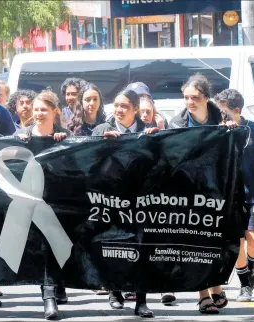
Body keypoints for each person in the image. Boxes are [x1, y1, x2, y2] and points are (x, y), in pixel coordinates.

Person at [168, 73, 235, 314]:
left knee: (217, 242)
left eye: (194, 97)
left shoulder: (222, 118)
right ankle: (204, 294)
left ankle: (216, 285)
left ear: (206, 97)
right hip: (189, 192)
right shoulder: (177, 123)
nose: (190, 102)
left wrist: (231, 132)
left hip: (219, 190)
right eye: (186, 97)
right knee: (197, 242)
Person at [92, 89, 158, 318]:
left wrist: (154, 141)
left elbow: (161, 162)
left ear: (136, 110)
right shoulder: (102, 129)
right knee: (112, 244)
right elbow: (91, 160)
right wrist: (104, 144)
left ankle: (141, 299)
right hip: (111, 198)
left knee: (141, 247)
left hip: (141, 199)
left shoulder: (148, 130)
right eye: (116, 105)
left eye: (124, 107)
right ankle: (114, 290)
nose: (118, 110)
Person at [15, 90, 70, 320]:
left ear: (54, 112)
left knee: (54, 247)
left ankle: (55, 290)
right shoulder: (21, 134)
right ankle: (48, 295)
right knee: (41, 247)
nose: (38, 113)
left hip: (57, 200)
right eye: (36, 109)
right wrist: (16, 143)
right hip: (30, 201)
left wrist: (63, 143)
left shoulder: (64, 135)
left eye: (43, 110)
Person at [214, 89, 254, 302]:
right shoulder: (219, 131)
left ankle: (251, 267)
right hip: (229, 196)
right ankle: (245, 284)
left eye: (224, 111)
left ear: (236, 111)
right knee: (237, 242)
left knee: (253, 239)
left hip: (252, 194)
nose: (221, 115)